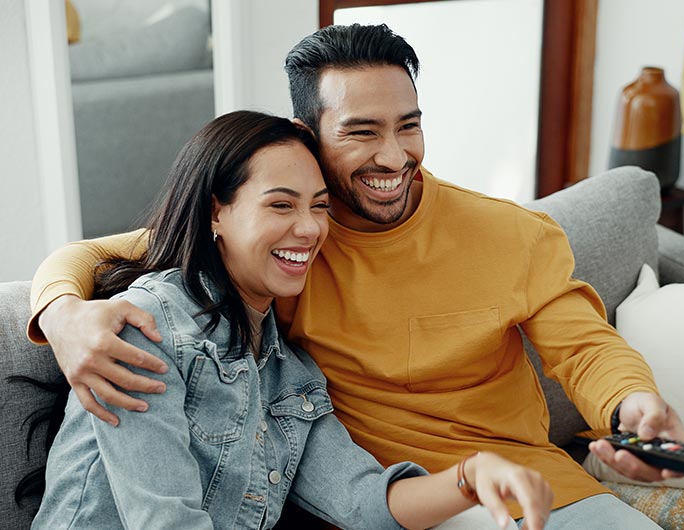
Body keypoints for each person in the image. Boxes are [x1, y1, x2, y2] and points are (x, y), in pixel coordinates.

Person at [28, 24, 684, 528]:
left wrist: (634, 405)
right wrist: (62, 315)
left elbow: (584, 346)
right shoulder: (259, 251)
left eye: (409, 127)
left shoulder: (505, 237)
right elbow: (94, 256)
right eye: (363, 131)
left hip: (502, 485)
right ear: (307, 135)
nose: (394, 156)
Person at [29, 110, 553, 530]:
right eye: (281, 206)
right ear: (217, 212)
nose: (308, 229)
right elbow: (164, 519)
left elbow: (363, 503)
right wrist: (58, 309)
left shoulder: (291, 374)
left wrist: (469, 476)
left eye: (319, 206)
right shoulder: (148, 326)